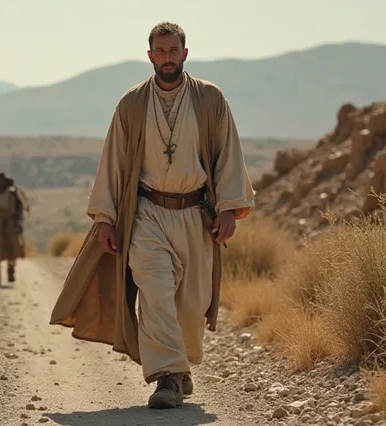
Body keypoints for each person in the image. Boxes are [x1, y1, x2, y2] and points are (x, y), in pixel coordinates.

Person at [49, 21, 255, 409]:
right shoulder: (131, 103)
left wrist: (229, 208)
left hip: (195, 213)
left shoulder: (209, 99)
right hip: (146, 213)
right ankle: (166, 379)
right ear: (150, 56)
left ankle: (179, 367)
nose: (166, 58)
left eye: (172, 51)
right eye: (159, 52)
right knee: (155, 293)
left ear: (184, 54)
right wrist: (106, 219)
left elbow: (229, 154)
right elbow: (112, 162)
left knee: (192, 304)